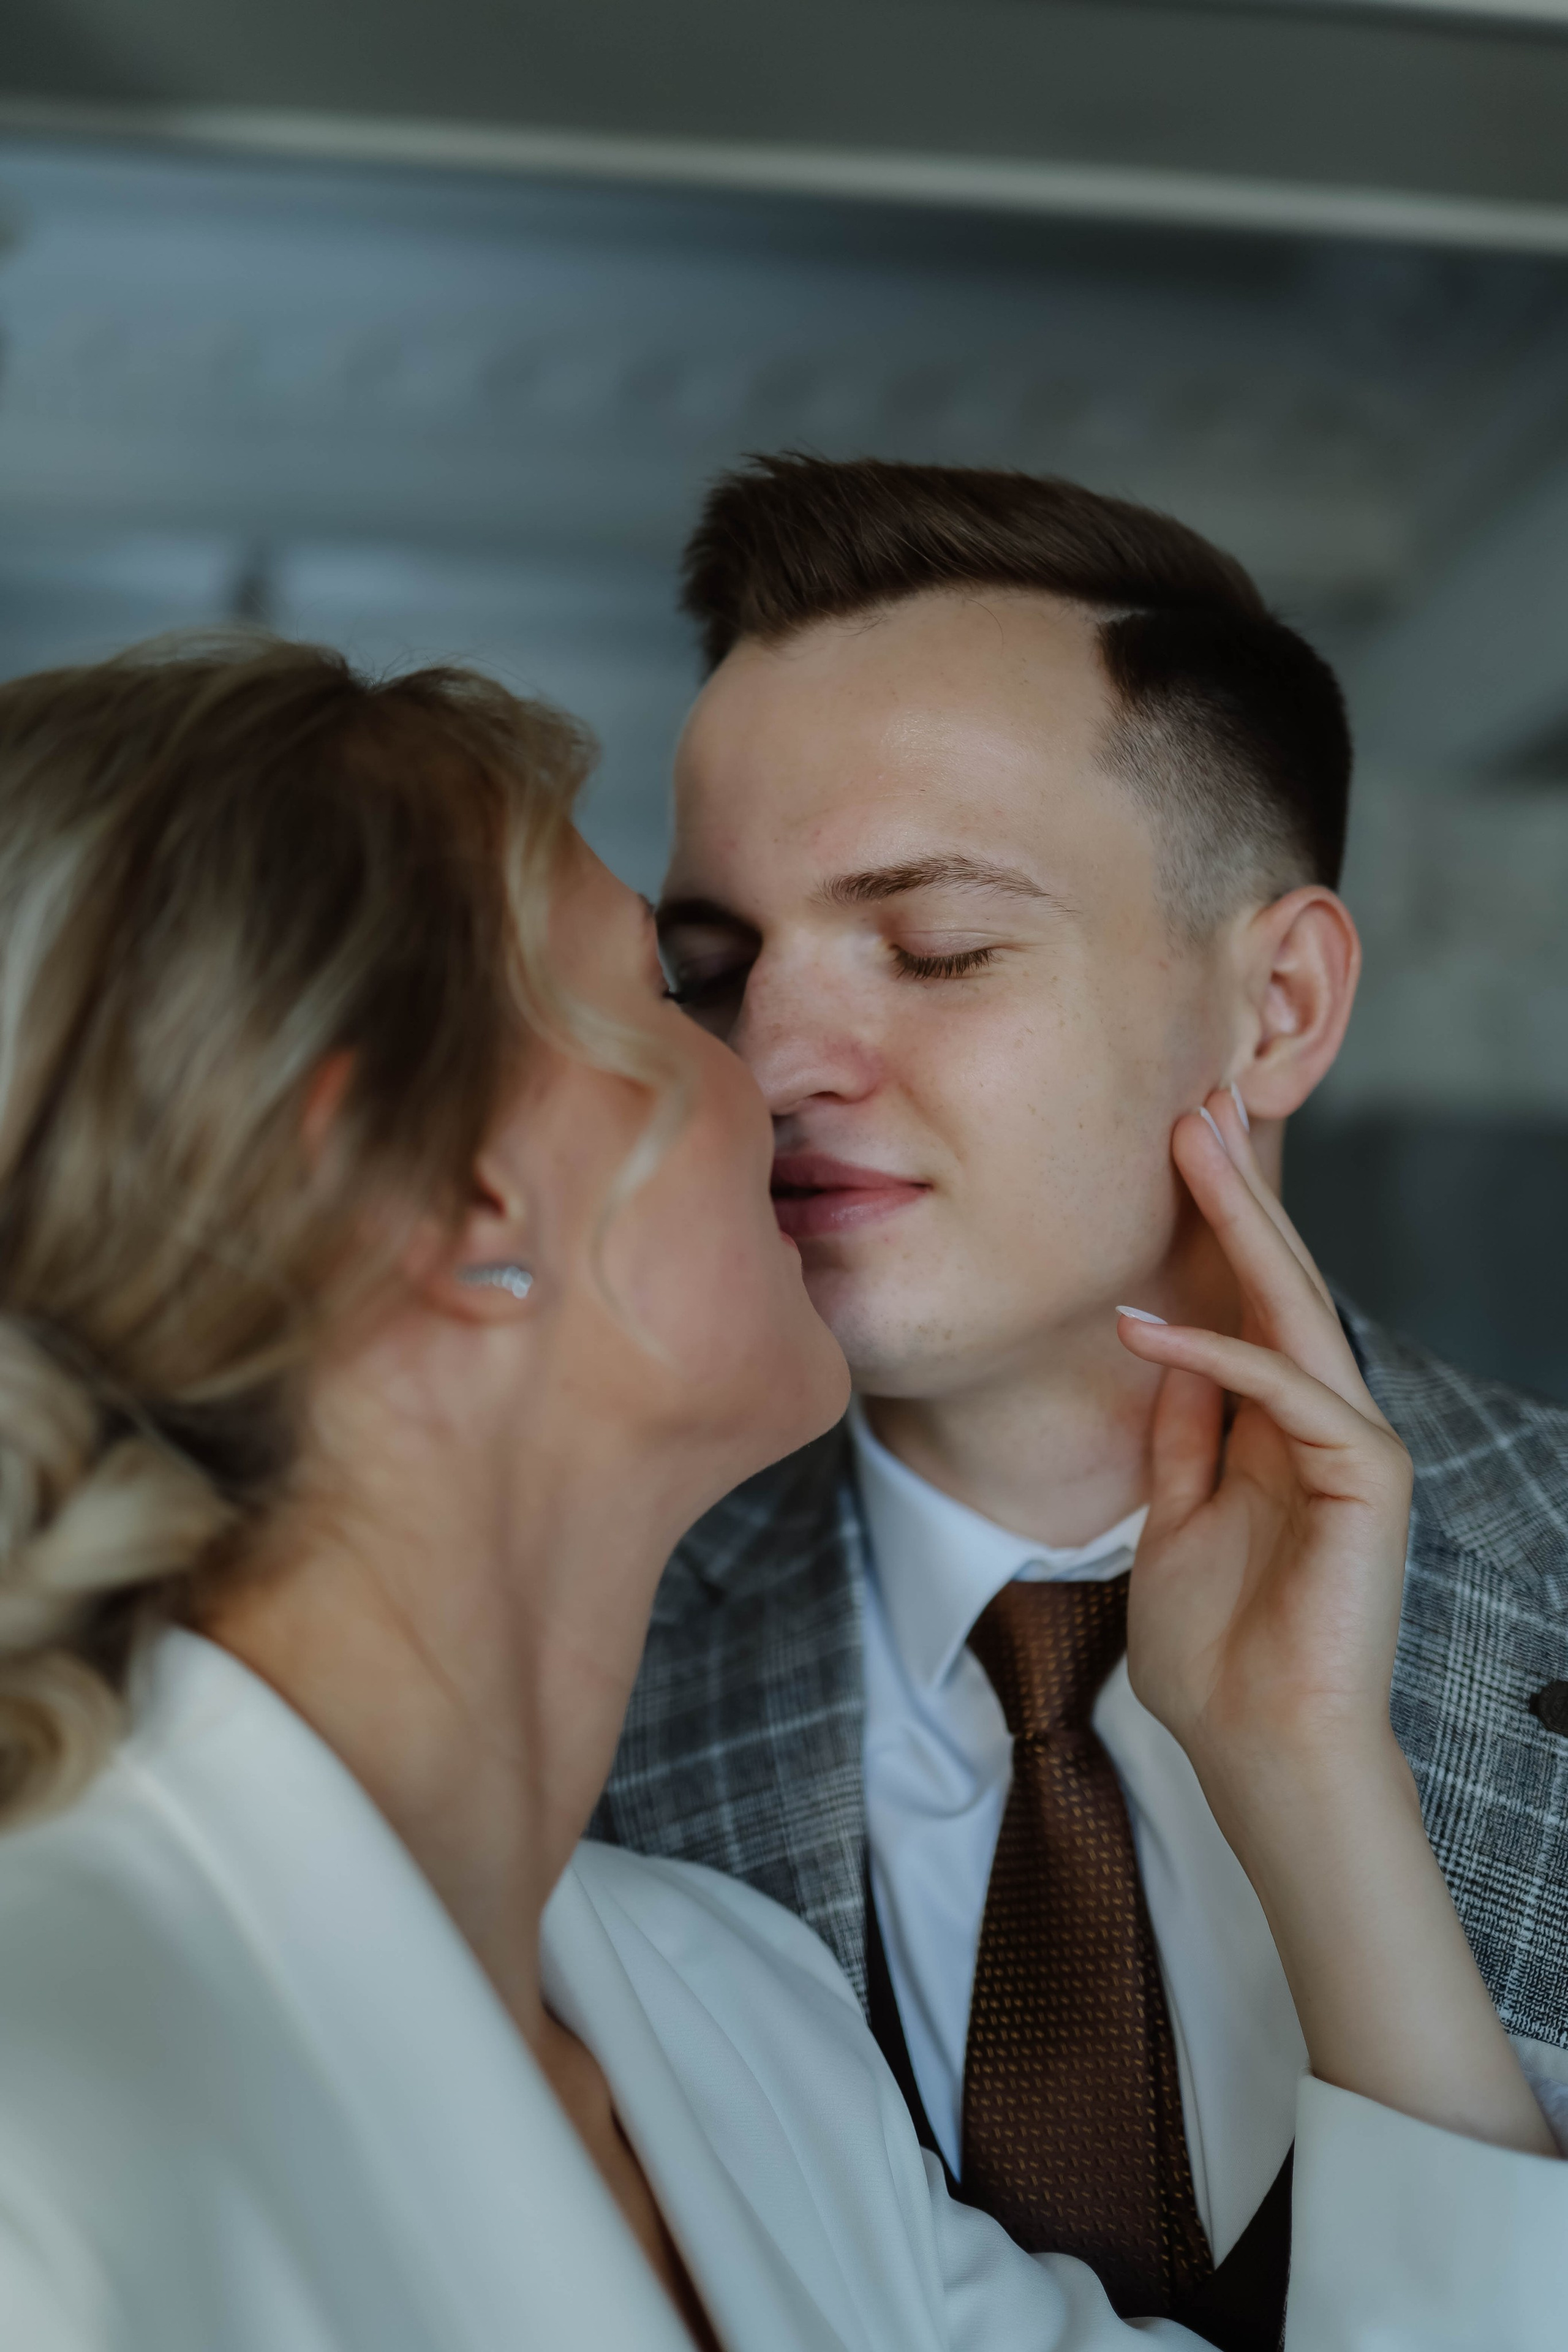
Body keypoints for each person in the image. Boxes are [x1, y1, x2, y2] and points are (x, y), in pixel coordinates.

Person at [0, 638, 1555, 2352]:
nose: (787, 1072)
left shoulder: (727, 2014)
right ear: (444, 1196)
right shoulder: (43, 2133)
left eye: (942, 949)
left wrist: (1303, 1772)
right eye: (681, 988)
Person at [603, 456, 1568, 2348]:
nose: (775, 1061)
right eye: (714, 973)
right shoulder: (571, 1676)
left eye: (938, 944)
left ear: (1280, 1007)